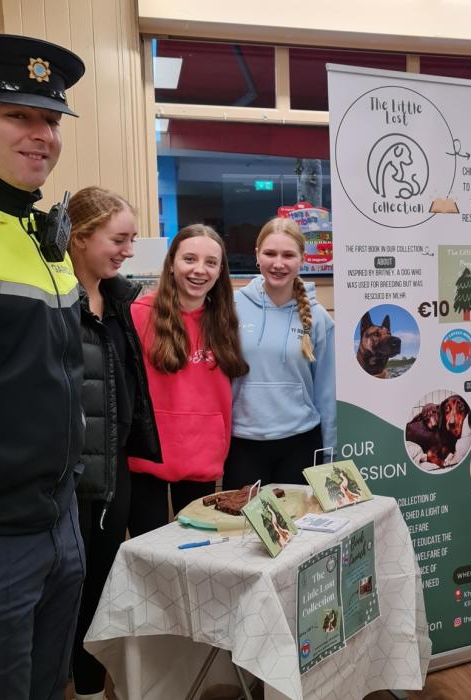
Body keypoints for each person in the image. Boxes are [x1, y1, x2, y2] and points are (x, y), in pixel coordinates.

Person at [0, 33, 88, 699]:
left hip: (57, 521)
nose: (41, 134)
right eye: (17, 115)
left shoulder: (38, 231)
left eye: (50, 118)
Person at [65, 187, 163, 700]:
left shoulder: (123, 300)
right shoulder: (54, 299)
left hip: (114, 475)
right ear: (80, 238)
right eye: (119, 239)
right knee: (64, 596)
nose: (129, 249)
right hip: (68, 477)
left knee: (102, 590)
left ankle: (88, 690)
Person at [127, 225, 249, 535]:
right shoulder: (138, 314)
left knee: (198, 554)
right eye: (189, 259)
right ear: (171, 264)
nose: (199, 270)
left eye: (211, 262)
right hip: (146, 457)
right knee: (148, 549)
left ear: (220, 270)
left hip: (203, 455)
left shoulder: (225, 319)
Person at [222, 217, 337, 489]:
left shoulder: (318, 318)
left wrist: (330, 453)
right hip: (243, 445)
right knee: (242, 530)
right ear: (257, 255)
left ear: (302, 259)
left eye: (288, 255)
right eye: (270, 253)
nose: (278, 263)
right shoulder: (230, 308)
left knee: (302, 530)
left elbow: (327, 393)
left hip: (301, 443)